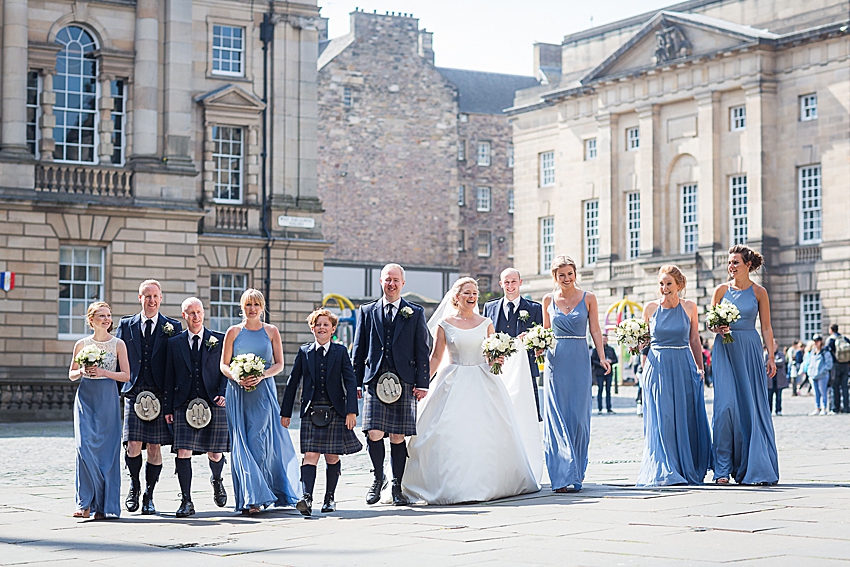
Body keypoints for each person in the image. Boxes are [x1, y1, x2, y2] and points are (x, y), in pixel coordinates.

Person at [402, 278, 540, 504]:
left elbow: (491, 354)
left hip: (483, 380)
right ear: (456, 297)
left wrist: (497, 357)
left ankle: (493, 482)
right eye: (467, 292)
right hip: (453, 379)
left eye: (474, 292)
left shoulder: (486, 322)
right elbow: (436, 357)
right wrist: (423, 382)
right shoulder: (444, 324)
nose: (472, 296)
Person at [351, 264, 430, 506]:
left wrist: (422, 383)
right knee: (373, 432)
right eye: (388, 280)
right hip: (375, 379)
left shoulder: (414, 312)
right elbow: (359, 348)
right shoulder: (367, 311)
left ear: (403, 283)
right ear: (381, 281)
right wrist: (355, 382)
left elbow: (422, 349)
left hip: (404, 379)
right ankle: (378, 478)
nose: (391, 284)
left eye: (396, 280)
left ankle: (396, 484)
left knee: (397, 436)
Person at [220, 289, 299, 513]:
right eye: (248, 305)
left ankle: (258, 496)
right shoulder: (233, 332)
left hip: (263, 392)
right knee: (241, 443)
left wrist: (261, 374)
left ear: (262, 307)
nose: (252, 309)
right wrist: (236, 376)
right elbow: (223, 365)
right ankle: (249, 496)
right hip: (237, 393)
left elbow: (280, 364)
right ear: (242, 307)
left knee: (258, 440)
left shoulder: (272, 331)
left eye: (256, 305)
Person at [280, 309, 362, 516]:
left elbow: (350, 382)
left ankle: (329, 498)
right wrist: (285, 412)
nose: (322, 328)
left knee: (332, 456)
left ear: (333, 329)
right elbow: (292, 383)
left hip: (335, 410)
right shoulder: (304, 351)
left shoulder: (341, 352)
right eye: (318, 324)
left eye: (326, 325)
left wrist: (351, 411)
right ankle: (306, 497)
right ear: (312, 328)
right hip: (311, 410)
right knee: (310, 455)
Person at [636, 266, 712, 486]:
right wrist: (642, 370)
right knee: (663, 419)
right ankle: (664, 467)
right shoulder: (650, 309)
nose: (664, 288)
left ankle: (683, 466)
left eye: (669, 283)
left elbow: (695, 340)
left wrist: (700, 368)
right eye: (661, 283)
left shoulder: (690, 307)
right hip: (657, 367)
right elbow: (644, 343)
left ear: (679, 285)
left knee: (685, 417)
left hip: (683, 366)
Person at [710, 245, 779, 485]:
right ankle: (721, 469)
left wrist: (770, 356)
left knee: (750, 407)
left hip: (749, 349)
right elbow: (711, 322)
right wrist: (717, 328)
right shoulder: (720, 291)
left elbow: (767, 327)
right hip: (724, 350)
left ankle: (750, 466)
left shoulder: (759, 292)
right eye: (729, 263)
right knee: (724, 407)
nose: (731, 267)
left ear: (748, 265)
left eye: (735, 262)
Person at [542, 255, 611, 493]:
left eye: (570, 274)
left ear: (575, 274)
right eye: (562, 275)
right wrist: (537, 346)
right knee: (557, 417)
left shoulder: (589, 297)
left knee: (579, 418)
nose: (566, 278)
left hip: (580, 358)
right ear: (555, 277)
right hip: (555, 361)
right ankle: (560, 476)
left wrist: (602, 357)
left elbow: (595, 329)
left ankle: (576, 471)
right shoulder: (547, 300)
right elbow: (545, 333)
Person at [116, 280, 183, 514]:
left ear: (161, 298)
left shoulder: (173, 327)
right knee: (132, 444)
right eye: (147, 296)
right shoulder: (126, 325)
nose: (151, 301)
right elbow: (116, 357)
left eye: (155, 296)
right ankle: (134, 486)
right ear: (140, 298)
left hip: (160, 394)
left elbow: (178, 363)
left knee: (155, 447)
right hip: (134, 392)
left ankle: (149, 495)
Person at [163, 297, 229, 518]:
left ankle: (217, 479)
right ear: (184, 316)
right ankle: (186, 500)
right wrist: (168, 408)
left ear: (203, 313)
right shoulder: (175, 343)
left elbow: (225, 371)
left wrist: (223, 393)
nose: (195, 316)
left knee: (215, 452)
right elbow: (168, 377)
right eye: (191, 312)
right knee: (183, 452)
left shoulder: (218, 340)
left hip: (213, 402)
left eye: (199, 312)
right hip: (184, 403)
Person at [68, 302, 130, 519]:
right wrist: (83, 370)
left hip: (107, 398)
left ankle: (103, 506)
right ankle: (84, 503)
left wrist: (104, 371)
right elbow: (71, 374)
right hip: (86, 398)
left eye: (109, 315)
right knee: (83, 447)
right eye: (102, 316)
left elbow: (126, 376)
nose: (106, 319)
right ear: (91, 320)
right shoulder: (81, 344)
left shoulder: (118, 344)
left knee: (107, 451)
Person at [483, 268, 544, 419]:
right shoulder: (489, 307)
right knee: (498, 416)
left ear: (520, 282)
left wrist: (531, 339)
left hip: (526, 368)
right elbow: (483, 339)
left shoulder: (535, 308)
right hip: (498, 369)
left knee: (527, 415)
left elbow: (541, 339)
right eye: (506, 282)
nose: (510, 286)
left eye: (513, 282)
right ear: (501, 284)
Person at [803, 335, 832, 416]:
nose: (816, 342)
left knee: (823, 392)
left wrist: (823, 371)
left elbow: (829, 364)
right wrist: (809, 372)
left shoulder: (825, 352)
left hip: (822, 376)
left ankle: (824, 408)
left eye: (817, 340)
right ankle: (817, 408)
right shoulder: (812, 352)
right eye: (814, 341)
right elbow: (809, 362)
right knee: (816, 393)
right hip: (813, 375)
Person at [590, 335, 618, 413]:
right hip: (599, 372)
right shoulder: (596, 350)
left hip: (608, 372)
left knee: (608, 390)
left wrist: (610, 361)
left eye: (605, 339)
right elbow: (592, 360)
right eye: (603, 339)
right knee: (600, 389)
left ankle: (609, 408)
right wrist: (601, 363)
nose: (604, 341)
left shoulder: (611, 349)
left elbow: (615, 360)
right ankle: (600, 408)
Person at [825, 324, 850, 413]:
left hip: (835, 365)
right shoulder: (844, 338)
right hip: (846, 365)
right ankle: (847, 407)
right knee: (845, 387)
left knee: (835, 386)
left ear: (831, 330)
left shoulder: (830, 339)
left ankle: (836, 407)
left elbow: (827, 352)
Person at [765, 340, 788, 416]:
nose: (773, 346)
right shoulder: (766, 354)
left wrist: (772, 362)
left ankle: (778, 410)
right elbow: (764, 363)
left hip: (779, 380)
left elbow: (782, 362)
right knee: (769, 397)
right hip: (770, 379)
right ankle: (769, 411)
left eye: (775, 345)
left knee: (779, 397)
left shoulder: (780, 354)